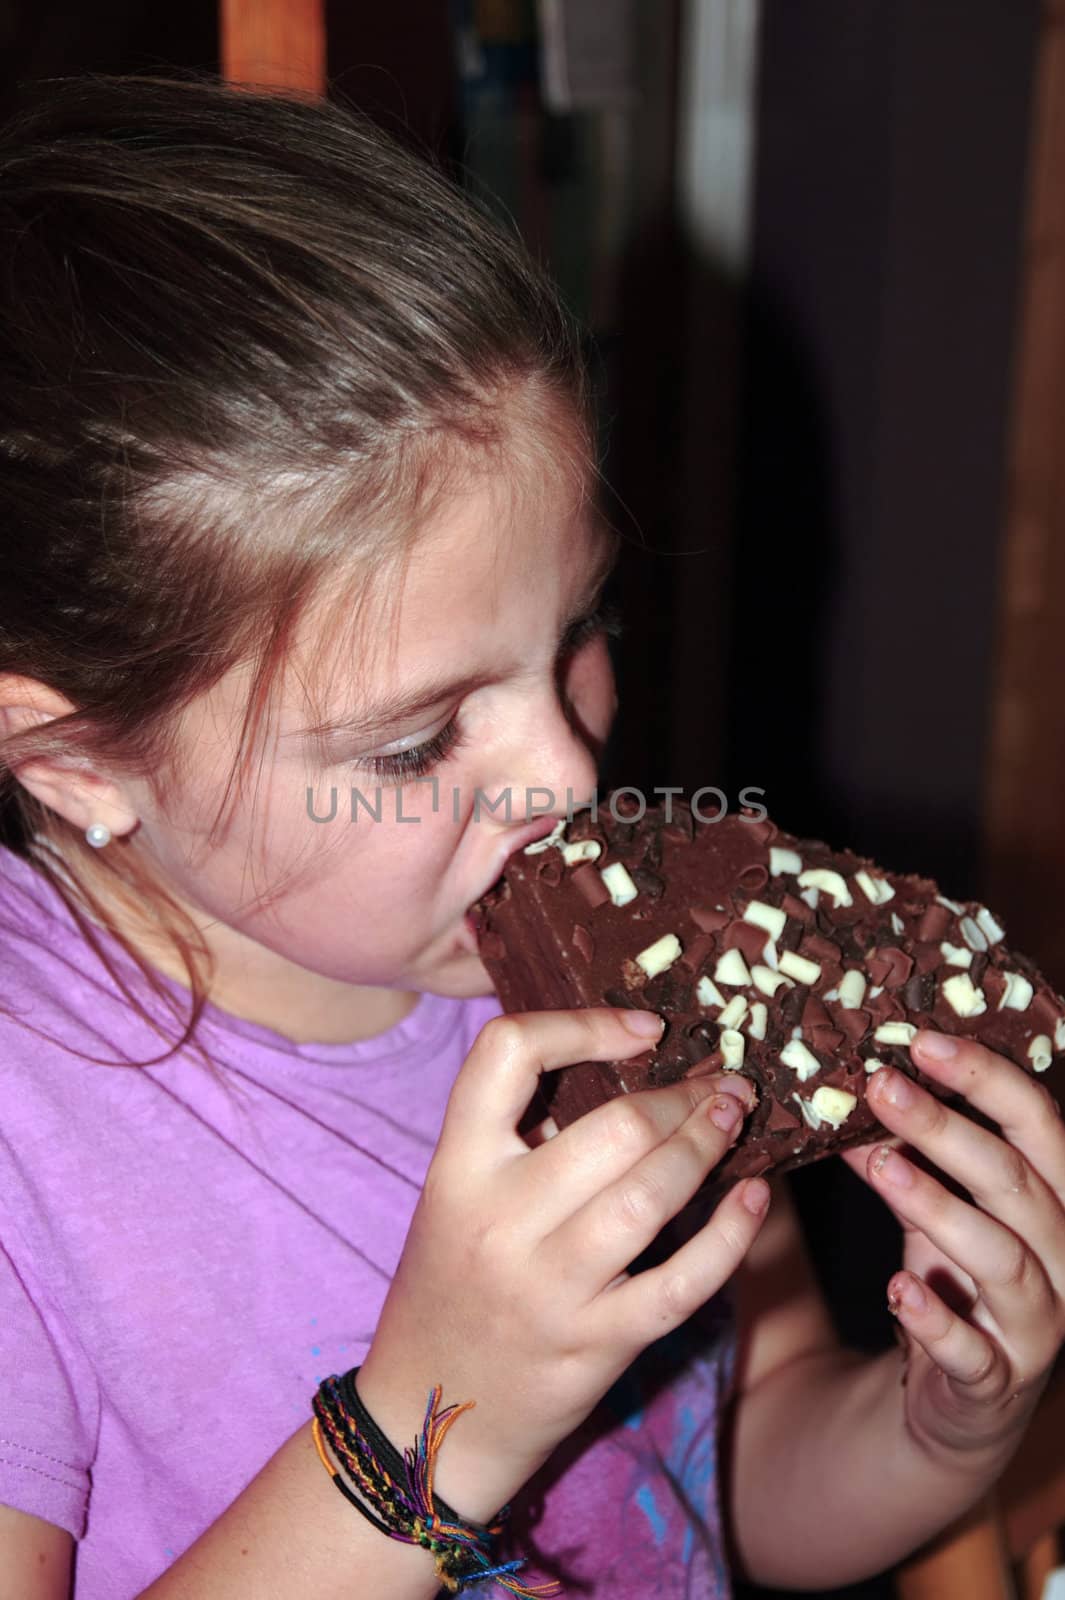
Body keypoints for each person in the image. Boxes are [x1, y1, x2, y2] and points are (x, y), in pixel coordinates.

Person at [0, 75, 1063, 1600]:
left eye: (579, 628)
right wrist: (427, 1435)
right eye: (417, 741)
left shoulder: (621, 994)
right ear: (72, 757)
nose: (564, 778)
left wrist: (939, 1430)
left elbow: (737, 1473)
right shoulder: (27, 1137)